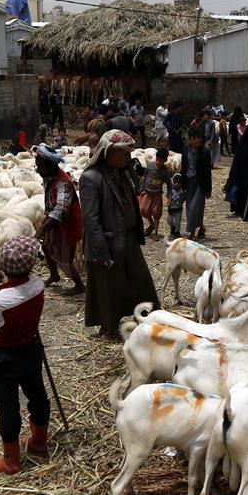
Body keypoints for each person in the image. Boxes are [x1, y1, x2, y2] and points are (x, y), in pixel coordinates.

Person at [79, 130, 159, 341]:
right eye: (123, 154)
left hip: (128, 238)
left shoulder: (122, 172)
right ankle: (109, 328)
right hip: (107, 241)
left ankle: (147, 317)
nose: (127, 158)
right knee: (108, 287)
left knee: (139, 280)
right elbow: (90, 219)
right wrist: (101, 250)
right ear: (109, 152)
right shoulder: (91, 178)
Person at [0, 236, 50, 475]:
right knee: (38, 395)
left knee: (8, 407)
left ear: (2, 266)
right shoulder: (39, 285)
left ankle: (11, 460)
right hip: (31, 350)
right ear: (30, 265)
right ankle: (39, 443)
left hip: (6, 358)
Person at [34, 145, 85, 295]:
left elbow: (61, 209)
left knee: (64, 260)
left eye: (39, 165)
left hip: (66, 224)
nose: (37, 169)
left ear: (50, 165)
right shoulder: (50, 177)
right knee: (46, 247)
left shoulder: (63, 183)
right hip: (54, 221)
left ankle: (79, 285)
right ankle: (54, 275)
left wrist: (42, 228)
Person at [225, 109, 248, 222]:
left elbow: (236, 159)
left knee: (242, 192)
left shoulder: (242, 143)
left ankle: (239, 210)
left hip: (240, 173)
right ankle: (246, 215)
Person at [181, 126, 212, 239]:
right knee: (189, 207)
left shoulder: (205, 152)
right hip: (188, 182)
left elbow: (207, 171)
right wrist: (180, 182)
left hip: (200, 183)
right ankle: (201, 227)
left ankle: (191, 232)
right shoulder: (185, 150)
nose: (197, 140)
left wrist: (208, 189)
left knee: (196, 206)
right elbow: (183, 168)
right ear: (190, 139)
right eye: (194, 138)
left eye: (199, 138)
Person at [138, 147, 171, 241]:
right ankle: (151, 224)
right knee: (143, 210)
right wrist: (141, 189)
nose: (158, 162)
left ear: (165, 161)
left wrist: (169, 196)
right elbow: (145, 178)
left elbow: (169, 185)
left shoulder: (165, 171)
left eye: (161, 161)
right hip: (148, 192)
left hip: (157, 194)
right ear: (155, 157)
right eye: (157, 159)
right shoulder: (150, 166)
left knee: (156, 212)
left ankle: (155, 231)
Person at [167, 174, 185, 239]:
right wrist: (169, 199)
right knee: (169, 220)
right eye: (175, 182)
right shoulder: (171, 189)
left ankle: (177, 232)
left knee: (177, 222)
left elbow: (184, 198)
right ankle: (173, 228)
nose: (176, 184)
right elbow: (168, 195)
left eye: (179, 183)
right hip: (171, 208)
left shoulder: (183, 191)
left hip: (178, 209)